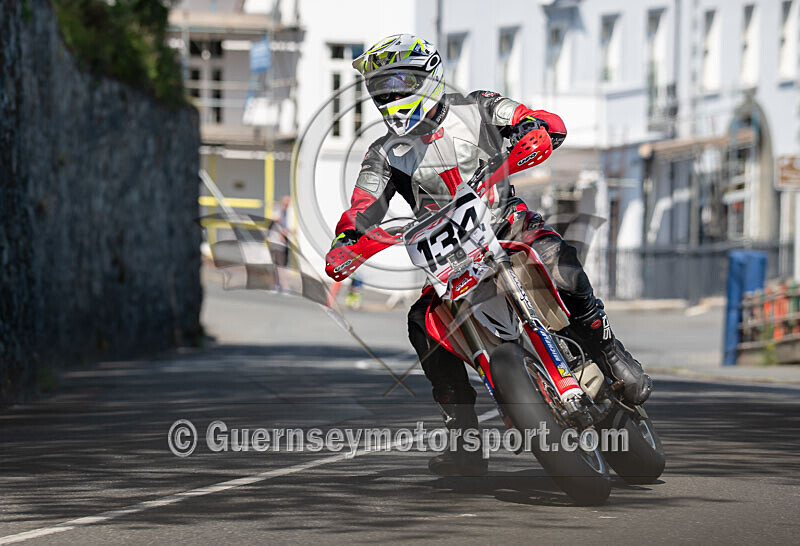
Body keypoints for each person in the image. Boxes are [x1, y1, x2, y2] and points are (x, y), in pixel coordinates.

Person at [326, 34, 651, 476]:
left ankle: (608, 351)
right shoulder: (383, 154)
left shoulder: (478, 106)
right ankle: (463, 437)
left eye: (397, 82)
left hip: (506, 223)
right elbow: (363, 206)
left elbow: (534, 121)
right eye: (380, 88)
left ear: (427, 75)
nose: (389, 95)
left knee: (561, 264)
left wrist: (533, 132)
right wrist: (348, 241)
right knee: (423, 324)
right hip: (449, 254)